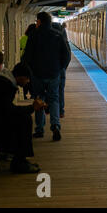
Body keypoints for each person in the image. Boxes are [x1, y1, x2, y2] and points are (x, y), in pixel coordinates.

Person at [0, 62, 46, 173]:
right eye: (27, 79)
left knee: (24, 118)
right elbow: (8, 111)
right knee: (25, 120)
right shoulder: (4, 85)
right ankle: (19, 162)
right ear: (21, 77)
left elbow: (6, 109)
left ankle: (21, 159)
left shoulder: (4, 81)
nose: (28, 82)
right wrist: (32, 108)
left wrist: (30, 108)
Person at [24, 12, 71, 141]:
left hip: (38, 74)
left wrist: (31, 70)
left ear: (39, 21)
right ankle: (55, 125)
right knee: (54, 99)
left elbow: (27, 56)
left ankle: (39, 129)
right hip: (54, 73)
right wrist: (60, 68)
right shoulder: (57, 34)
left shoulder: (34, 35)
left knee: (39, 99)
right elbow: (66, 55)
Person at [52, 22, 71, 118]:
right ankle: (60, 111)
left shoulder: (48, 40)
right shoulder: (63, 39)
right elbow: (68, 56)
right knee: (60, 91)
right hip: (60, 69)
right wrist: (63, 67)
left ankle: (49, 109)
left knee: (50, 91)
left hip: (49, 70)